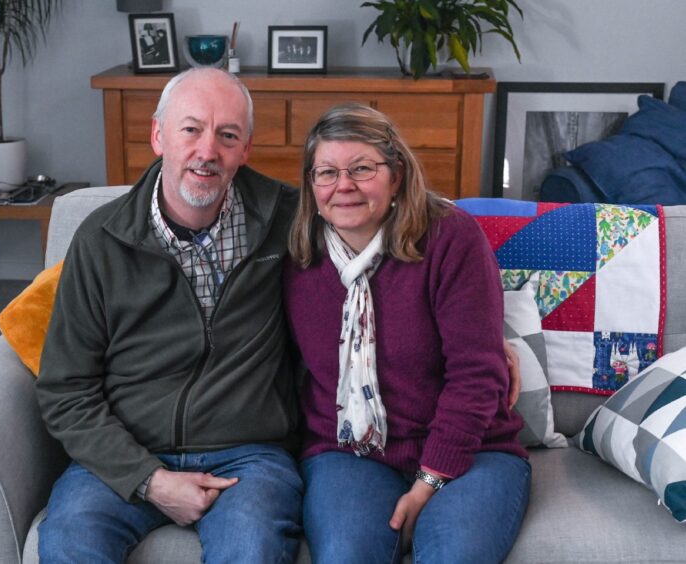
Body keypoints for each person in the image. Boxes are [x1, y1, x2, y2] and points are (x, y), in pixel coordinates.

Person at [34, 67, 303, 563]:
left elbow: (386, 233)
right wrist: (149, 479)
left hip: (250, 453)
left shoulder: (291, 219)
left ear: (246, 149)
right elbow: (65, 388)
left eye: (227, 136)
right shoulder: (101, 239)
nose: (208, 151)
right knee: (71, 538)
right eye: (191, 129)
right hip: (127, 449)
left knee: (254, 547)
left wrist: (488, 337)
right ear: (158, 135)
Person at [283, 103, 531, 563]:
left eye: (362, 168)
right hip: (346, 452)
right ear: (310, 184)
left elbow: (476, 375)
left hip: (474, 451)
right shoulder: (296, 253)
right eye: (327, 173)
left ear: (396, 174)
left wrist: (429, 481)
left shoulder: (450, 239)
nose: (344, 186)